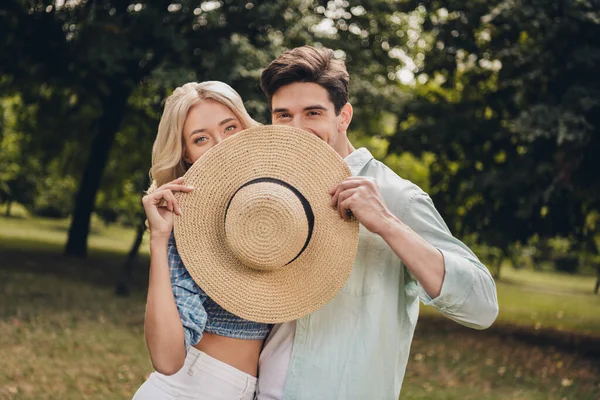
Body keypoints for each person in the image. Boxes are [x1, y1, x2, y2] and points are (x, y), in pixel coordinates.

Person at [255, 46, 499, 400]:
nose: (297, 129)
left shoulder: (397, 196)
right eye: (283, 115)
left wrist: (386, 223)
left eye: (313, 113)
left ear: (343, 116)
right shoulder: (267, 189)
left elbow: (482, 306)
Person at [133, 81, 270, 400]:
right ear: (188, 154)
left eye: (230, 127)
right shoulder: (186, 225)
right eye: (201, 139)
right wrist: (159, 240)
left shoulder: (282, 202)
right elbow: (167, 360)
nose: (220, 145)